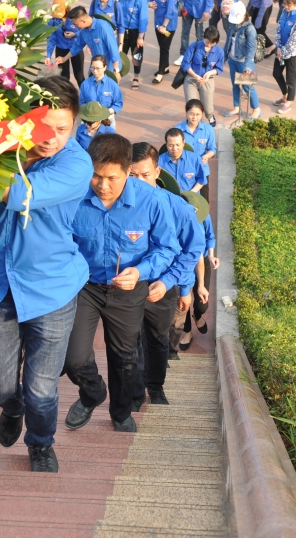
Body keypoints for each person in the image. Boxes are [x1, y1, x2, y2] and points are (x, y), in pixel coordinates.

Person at [0, 75, 93, 474]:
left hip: (51, 289)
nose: (50, 137)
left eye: (62, 128)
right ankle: (11, 406)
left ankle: (40, 443)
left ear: (74, 124)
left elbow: (18, 193)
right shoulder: (7, 148)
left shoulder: (76, 163)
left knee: (42, 389)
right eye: (42, 125)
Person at [63, 134, 180, 434]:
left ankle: (120, 411)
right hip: (85, 286)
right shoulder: (75, 196)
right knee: (73, 356)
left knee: (125, 356)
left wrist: (140, 272)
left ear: (127, 171)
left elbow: (167, 248)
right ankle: (92, 392)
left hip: (128, 289)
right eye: (96, 176)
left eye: (111, 178)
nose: (103, 186)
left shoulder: (151, 201)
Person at [128, 142, 204, 408]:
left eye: (145, 175)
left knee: (158, 339)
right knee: (130, 341)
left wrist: (178, 285)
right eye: (132, 175)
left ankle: (155, 386)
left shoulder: (177, 207)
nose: (138, 182)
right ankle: (134, 393)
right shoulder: (118, 204)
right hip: (129, 285)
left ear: (157, 172)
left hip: (163, 284)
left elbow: (192, 249)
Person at [176, 198, 217, 352]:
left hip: (201, 263)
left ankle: (198, 315)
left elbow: (210, 237)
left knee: (202, 303)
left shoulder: (204, 216)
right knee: (182, 302)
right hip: (182, 265)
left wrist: (211, 256)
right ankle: (187, 332)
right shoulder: (176, 221)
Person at [266, 0, 296, 114]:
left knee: (291, 77)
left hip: (292, 53)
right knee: (276, 73)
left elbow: (295, 39)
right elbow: (278, 30)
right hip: (281, 51)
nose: (286, 7)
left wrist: (282, 51)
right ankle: (285, 95)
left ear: (295, 3)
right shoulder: (285, 13)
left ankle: (289, 101)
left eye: (288, 5)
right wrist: (278, 47)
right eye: (284, 4)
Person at [58, 5, 122, 78]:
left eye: (76, 24)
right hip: (95, 67)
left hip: (109, 68)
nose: (75, 26)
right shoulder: (83, 31)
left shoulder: (103, 27)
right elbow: (76, 46)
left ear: (83, 21)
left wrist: (116, 70)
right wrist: (64, 59)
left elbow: (113, 49)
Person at [221, 1, 261, 119]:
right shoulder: (233, 25)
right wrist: (224, 57)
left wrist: (247, 66)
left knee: (247, 86)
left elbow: (251, 49)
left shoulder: (250, 29)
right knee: (235, 84)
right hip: (233, 60)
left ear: (244, 15)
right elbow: (228, 42)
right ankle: (237, 107)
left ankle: (256, 109)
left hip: (244, 62)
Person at [181, 28, 224, 127]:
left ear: (216, 42)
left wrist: (209, 73)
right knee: (191, 105)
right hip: (192, 79)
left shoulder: (219, 52)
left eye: (211, 43)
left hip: (207, 81)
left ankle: (210, 116)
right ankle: (192, 122)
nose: (208, 45)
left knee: (208, 107)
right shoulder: (194, 46)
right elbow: (185, 64)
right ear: (204, 38)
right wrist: (195, 75)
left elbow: (219, 68)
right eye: (206, 41)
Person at [174, 99, 216, 192]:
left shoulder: (208, 129)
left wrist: (206, 156)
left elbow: (212, 149)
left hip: (202, 169)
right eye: (191, 114)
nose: (194, 117)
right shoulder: (177, 129)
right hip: (183, 170)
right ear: (186, 113)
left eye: (198, 114)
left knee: (203, 202)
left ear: (202, 114)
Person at [116, 0, 150, 90]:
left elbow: (143, 19)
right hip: (123, 31)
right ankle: (118, 74)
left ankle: (136, 76)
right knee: (120, 54)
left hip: (136, 32)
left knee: (136, 55)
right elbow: (118, 12)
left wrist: (141, 36)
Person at [148, 0, 180, 83]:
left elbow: (171, 10)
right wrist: (149, 4)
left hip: (168, 25)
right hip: (158, 22)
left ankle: (160, 73)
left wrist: (164, 26)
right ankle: (165, 67)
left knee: (164, 48)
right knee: (162, 46)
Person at [45, 0, 84, 86]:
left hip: (75, 49)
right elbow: (51, 39)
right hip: (61, 50)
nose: (58, 16)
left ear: (66, 9)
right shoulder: (53, 21)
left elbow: (83, 31)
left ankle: (85, 98)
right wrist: (48, 55)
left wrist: (74, 34)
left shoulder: (73, 18)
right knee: (64, 79)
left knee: (79, 76)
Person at [79, 55, 123, 129]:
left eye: (98, 68)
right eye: (93, 68)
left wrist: (105, 113)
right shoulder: (85, 84)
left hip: (107, 119)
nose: (95, 71)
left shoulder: (113, 85)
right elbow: (82, 102)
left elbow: (118, 103)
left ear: (105, 67)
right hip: (89, 120)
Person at [158, 127, 208, 194]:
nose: (174, 148)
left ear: (183, 142)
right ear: (166, 144)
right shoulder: (159, 162)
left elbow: (201, 180)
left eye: (178, 145)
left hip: (190, 200)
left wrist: (190, 194)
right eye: (171, 145)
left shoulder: (195, 159)